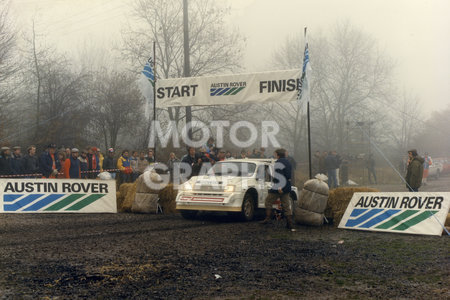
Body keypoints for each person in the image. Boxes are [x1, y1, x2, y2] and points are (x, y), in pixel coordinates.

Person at [260, 148, 295, 231]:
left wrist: (279, 187)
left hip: (279, 186)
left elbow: (279, 176)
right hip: (287, 185)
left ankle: (268, 219)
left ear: (277, 154)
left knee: (268, 201)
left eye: (275, 154)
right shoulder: (288, 162)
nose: (274, 155)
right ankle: (289, 224)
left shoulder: (278, 163)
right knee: (286, 205)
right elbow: (289, 175)